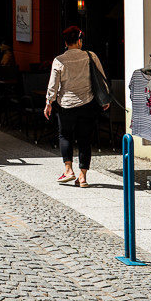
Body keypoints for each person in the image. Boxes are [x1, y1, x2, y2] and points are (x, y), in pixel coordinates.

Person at [44, 26, 109, 188]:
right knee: (85, 139)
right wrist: (105, 98)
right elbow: (102, 78)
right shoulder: (90, 56)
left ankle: (68, 170)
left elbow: (53, 85)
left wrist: (49, 102)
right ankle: (83, 177)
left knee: (65, 135)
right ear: (79, 41)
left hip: (66, 104)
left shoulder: (59, 60)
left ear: (66, 43)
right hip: (88, 104)